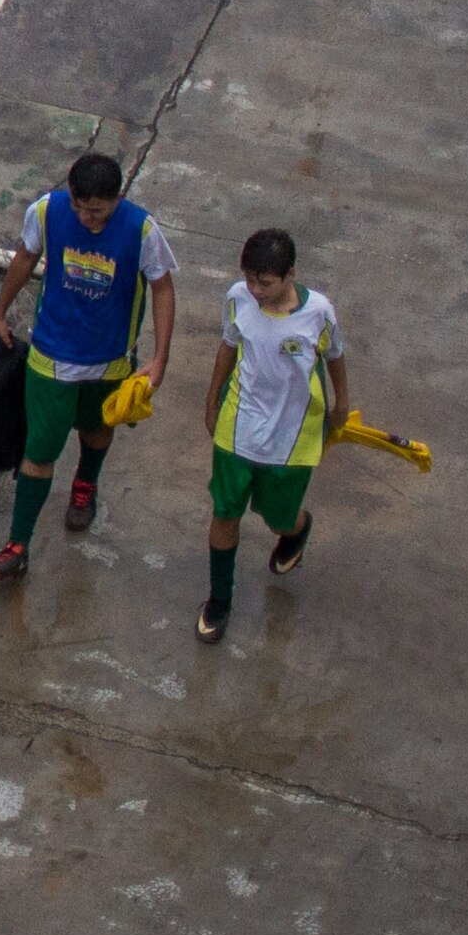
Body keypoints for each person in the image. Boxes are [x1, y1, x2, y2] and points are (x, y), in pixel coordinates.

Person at [0, 147, 176, 581]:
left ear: (118, 198)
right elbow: (26, 258)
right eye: (83, 210)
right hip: (51, 357)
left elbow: (161, 288)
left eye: (100, 211)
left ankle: (85, 484)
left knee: (97, 428)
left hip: (111, 363)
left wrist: (159, 358)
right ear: (71, 195)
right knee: (39, 451)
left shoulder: (142, 230)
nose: (90, 220)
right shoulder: (47, 212)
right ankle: (17, 545)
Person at [199, 227, 341, 642]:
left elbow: (335, 355)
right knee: (225, 511)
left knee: (278, 516)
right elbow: (228, 345)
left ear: (290, 274)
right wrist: (212, 401)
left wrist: (342, 405)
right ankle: (219, 601)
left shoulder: (319, 312)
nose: (255, 289)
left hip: (292, 436)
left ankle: (295, 529)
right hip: (237, 425)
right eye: (250, 279)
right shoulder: (237, 298)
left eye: (265, 282)